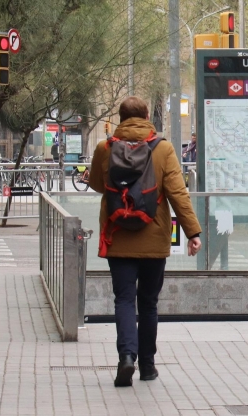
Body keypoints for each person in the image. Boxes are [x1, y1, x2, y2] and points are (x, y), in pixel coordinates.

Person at [89, 97, 203, 387]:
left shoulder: (106, 147)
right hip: (154, 238)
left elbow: (98, 185)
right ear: (145, 117)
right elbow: (178, 193)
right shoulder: (163, 148)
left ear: (121, 117)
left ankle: (126, 357)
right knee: (149, 303)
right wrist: (193, 232)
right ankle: (148, 366)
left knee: (124, 300)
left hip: (118, 235)